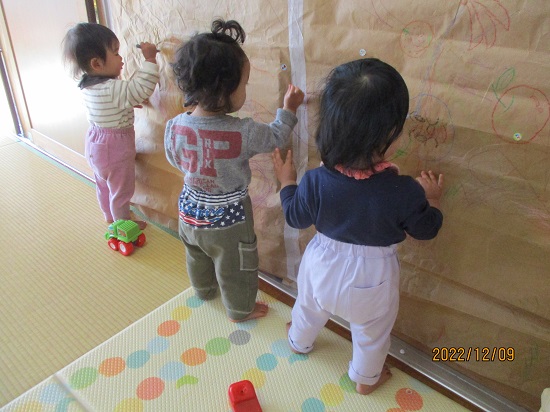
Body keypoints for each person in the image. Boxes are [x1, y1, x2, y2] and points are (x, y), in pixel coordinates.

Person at [272, 58, 444, 395]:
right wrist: (433, 200)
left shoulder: (316, 180)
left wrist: (287, 181)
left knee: (308, 307)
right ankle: (366, 379)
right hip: (373, 280)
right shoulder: (405, 191)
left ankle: (298, 340)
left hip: (320, 268)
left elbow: (294, 216)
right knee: (372, 333)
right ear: (389, 137)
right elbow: (426, 229)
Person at [164, 19, 304, 322]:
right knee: (237, 264)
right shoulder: (244, 132)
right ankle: (240, 309)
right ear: (223, 91)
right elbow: (277, 136)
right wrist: (289, 109)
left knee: (196, 253)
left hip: (189, 209)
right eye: (244, 84)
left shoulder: (174, 126)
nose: (246, 91)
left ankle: (203, 290)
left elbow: (175, 160)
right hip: (229, 219)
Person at [62, 23, 159, 229]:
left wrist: (127, 102)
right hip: (115, 149)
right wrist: (150, 59)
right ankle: (123, 224)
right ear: (97, 63)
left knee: (103, 184)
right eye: (115, 53)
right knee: (121, 190)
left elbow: (110, 105)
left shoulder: (88, 86)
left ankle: (109, 215)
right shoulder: (113, 88)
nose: (121, 58)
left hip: (95, 143)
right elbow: (141, 89)